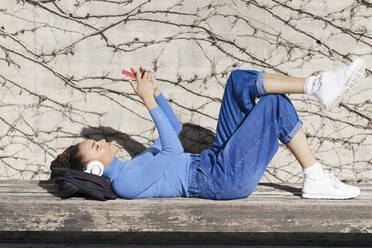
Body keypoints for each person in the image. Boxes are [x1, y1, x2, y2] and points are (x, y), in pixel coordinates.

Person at [50, 58, 366, 200]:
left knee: (239, 81)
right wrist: (148, 103)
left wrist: (155, 91)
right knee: (273, 105)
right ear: (94, 169)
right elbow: (174, 148)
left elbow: (171, 130)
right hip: (221, 179)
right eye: (96, 146)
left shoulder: (132, 167)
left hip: (214, 163)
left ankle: (317, 84)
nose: (104, 141)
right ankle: (315, 177)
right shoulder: (126, 184)